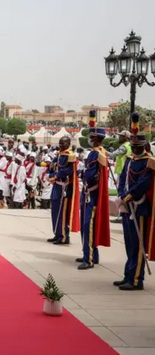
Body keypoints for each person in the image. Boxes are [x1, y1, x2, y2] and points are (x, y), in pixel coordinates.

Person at [115, 112, 155, 291]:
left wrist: (128, 197)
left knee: (138, 245)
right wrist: (122, 195)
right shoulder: (131, 160)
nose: (134, 150)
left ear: (144, 147)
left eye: (137, 147)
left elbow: (142, 184)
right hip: (127, 206)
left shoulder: (149, 163)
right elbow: (123, 178)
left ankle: (137, 279)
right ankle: (128, 275)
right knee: (129, 243)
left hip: (139, 207)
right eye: (133, 147)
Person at [77, 112, 111, 270]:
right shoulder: (99, 152)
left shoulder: (96, 153)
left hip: (91, 194)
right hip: (89, 194)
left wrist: (81, 174)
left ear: (96, 139)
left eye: (92, 138)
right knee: (87, 226)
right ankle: (90, 254)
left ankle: (88, 259)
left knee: (88, 226)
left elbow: (89, 174)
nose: (90, 140)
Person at [47, 136, 80, 245]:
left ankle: (64, 236)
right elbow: (52, 167)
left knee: (62, 213)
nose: (61, 145)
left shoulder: (70, 156)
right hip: (56, 186)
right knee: (55, 211)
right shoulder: (59, 154)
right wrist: (50, 175)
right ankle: (57, 233)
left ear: (69, 144)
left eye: (63, 144)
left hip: (64, 188)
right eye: (60, 143)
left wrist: (55, 176)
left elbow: (67, 170)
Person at [108, 130, 132, 223]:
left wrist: (100, 149)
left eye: (121, 136)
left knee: (121, 193)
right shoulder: (130, 146)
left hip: (122, 172)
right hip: (127, 172)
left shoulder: (124, 146)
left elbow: (112, 155)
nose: (119, 137)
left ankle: (122, 216)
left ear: (126, 137)